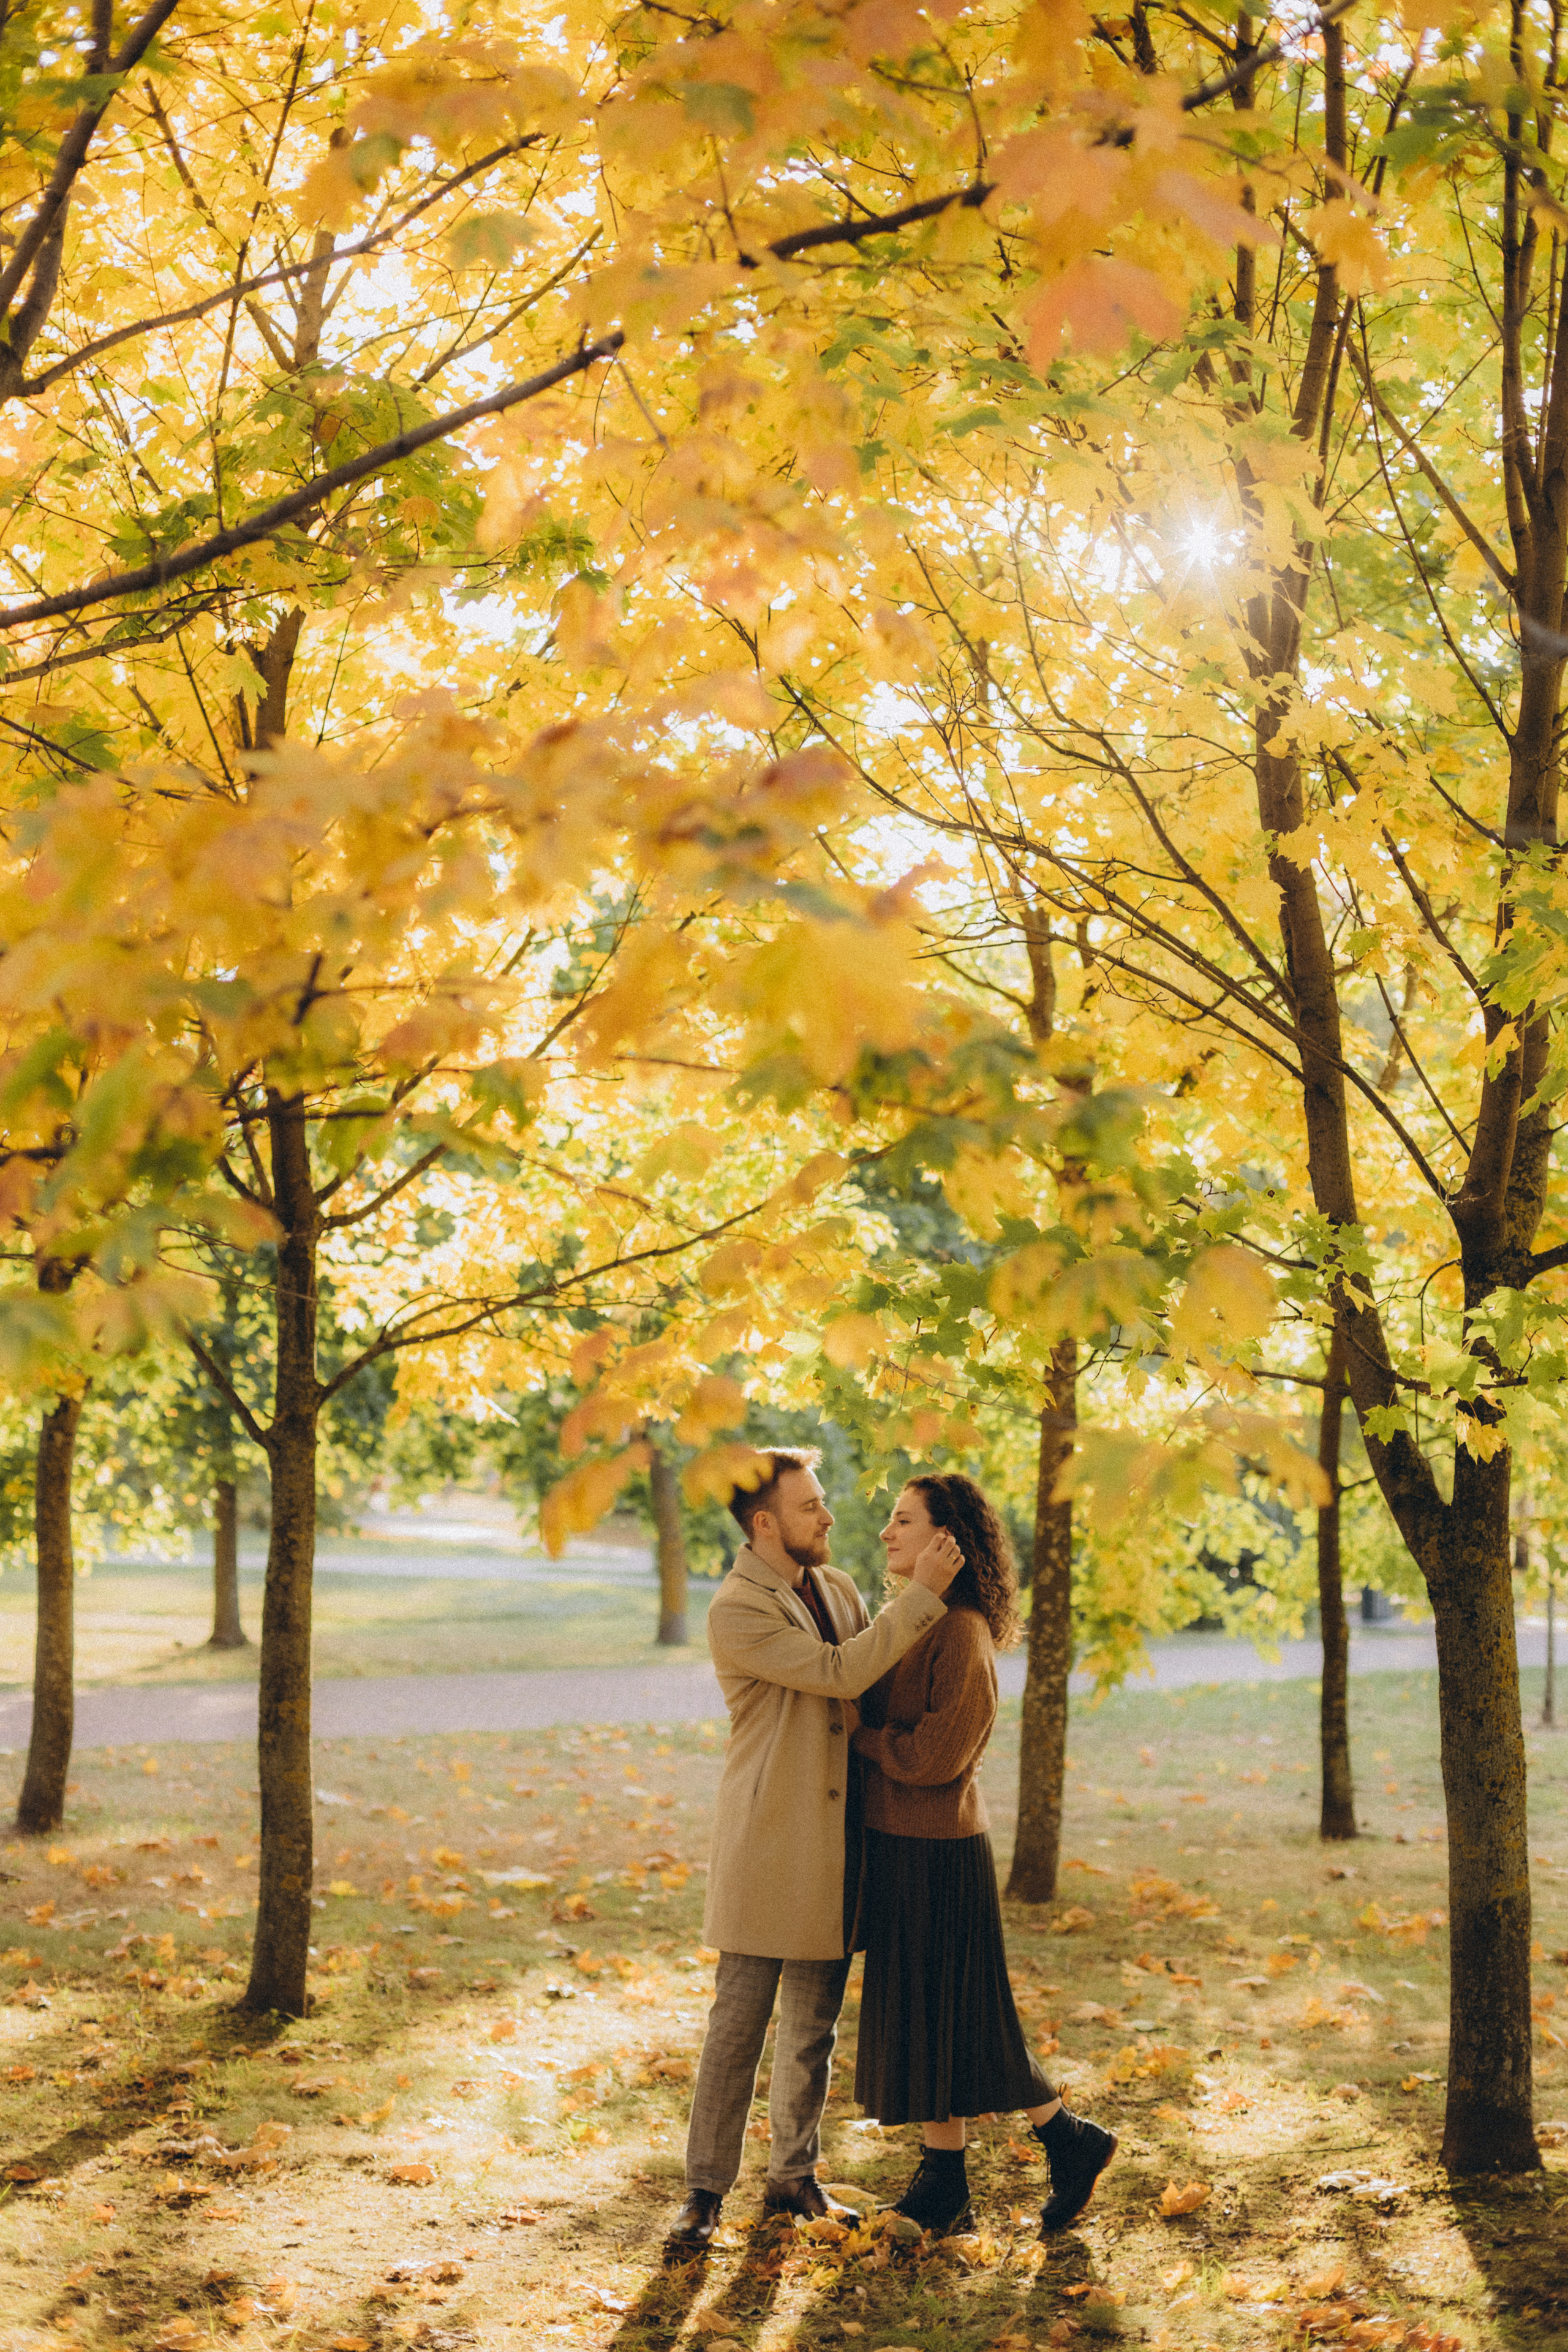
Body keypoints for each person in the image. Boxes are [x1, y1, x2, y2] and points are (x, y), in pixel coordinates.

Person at [665, 1446, 963, 2255]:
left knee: (812, 2029)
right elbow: (840, 1673)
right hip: (770, 1843)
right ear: (766, 1524)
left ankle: (794, 2177)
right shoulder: (736, 1609)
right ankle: (702, 2193)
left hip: (841, 1844)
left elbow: (877, 1678)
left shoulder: (835, 1586)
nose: (829, 1517)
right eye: (810, 1507)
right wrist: (923, 1597)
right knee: (739, 2026)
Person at [851, 1471, 1116, 2237]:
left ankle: (1069, 2140)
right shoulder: (915, 1619)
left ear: (946, 1540)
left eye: (902, 1520)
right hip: (901, 1847)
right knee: (931, 2021)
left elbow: (934, 1756)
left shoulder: (960, 1632)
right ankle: (948, 2188)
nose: (885, 1533)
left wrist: (860, 1739)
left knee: (969, 2023)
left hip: (941, 1855)